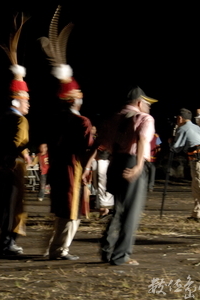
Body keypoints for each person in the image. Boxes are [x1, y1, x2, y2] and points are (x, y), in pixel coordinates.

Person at [98, 86, 157, 266]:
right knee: (131, 213)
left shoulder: (113, 118)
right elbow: (141, 139)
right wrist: (139, 165)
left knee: (119, 209)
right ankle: (121, 256)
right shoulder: (144, 118)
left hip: (115, 163)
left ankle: (107, 250)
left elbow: (103, 143)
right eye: (147, 104)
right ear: (139, 102)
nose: (149, 107)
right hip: (132, 162)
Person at [45, 65, 94, 260]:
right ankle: (59, 249)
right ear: (74, 100)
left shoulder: (54, 119)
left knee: (62, 208)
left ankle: (56, 246)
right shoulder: (82, 122)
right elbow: (86, 147)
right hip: (73, 167)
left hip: (56, 168)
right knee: (71, 208)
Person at [0, 64, 31, 256]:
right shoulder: (20, 120)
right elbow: (17, 143)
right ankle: (6, 243)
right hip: (13, 169)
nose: (28, 104)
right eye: (25, 101)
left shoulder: (2, 118)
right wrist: (22, 152)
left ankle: (5, 242)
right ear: (16, 102)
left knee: (4, 205)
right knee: (14, 207)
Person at [172, 106, 200, 223]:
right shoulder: (196, 127)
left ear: (180, 118)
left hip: (199, 158)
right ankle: (198, 213)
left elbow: (176, 148)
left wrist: (170, 143)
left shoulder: (182, 129)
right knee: (197, 186)